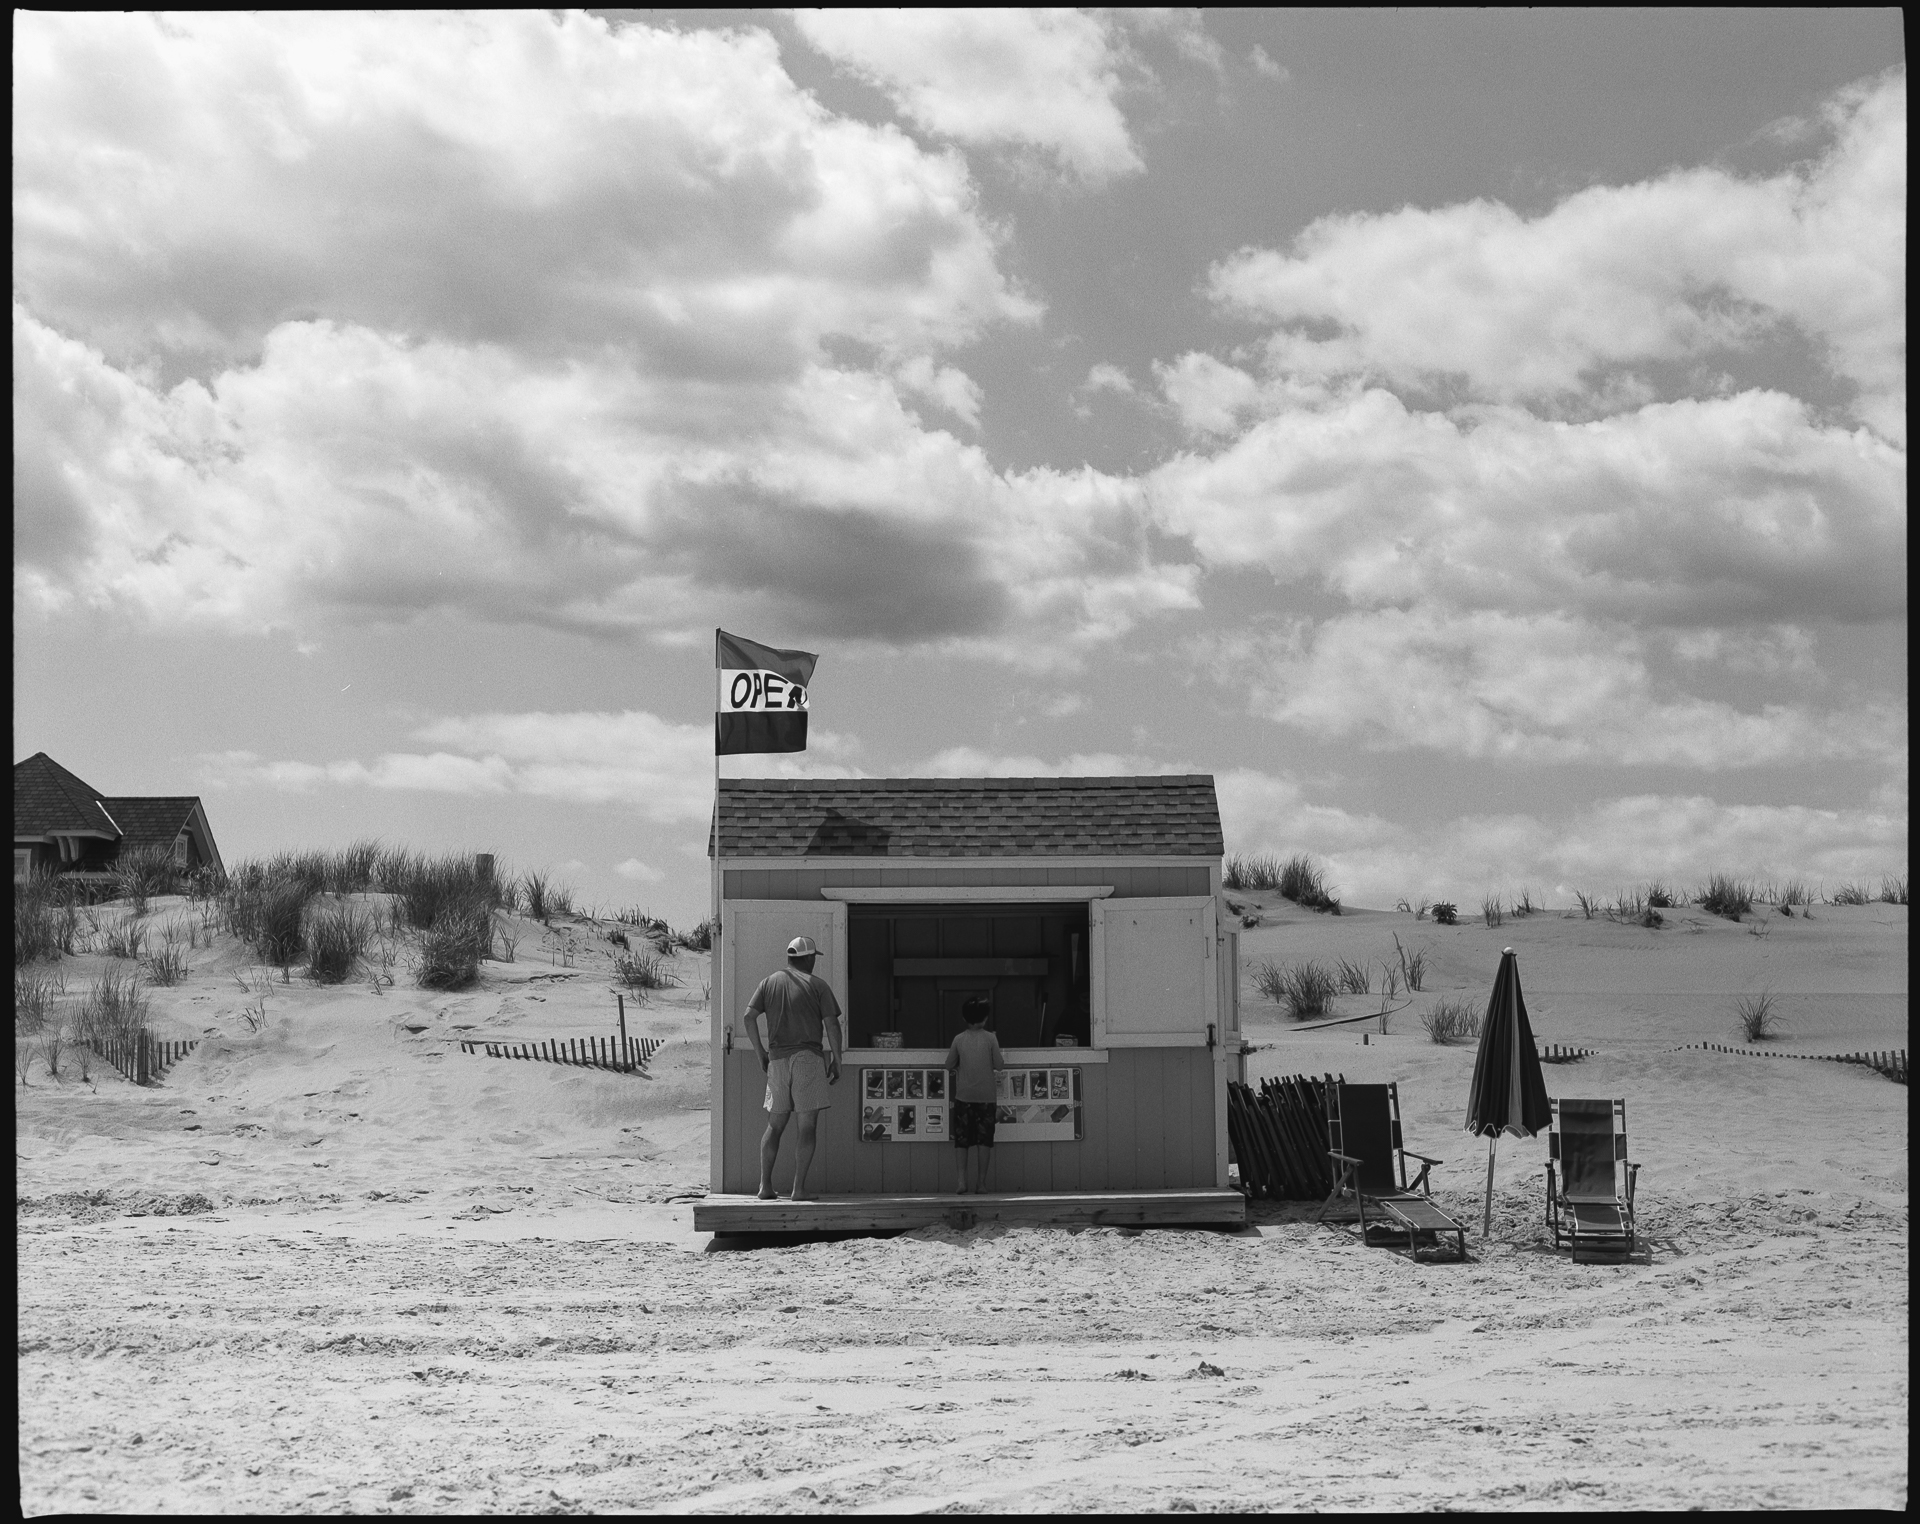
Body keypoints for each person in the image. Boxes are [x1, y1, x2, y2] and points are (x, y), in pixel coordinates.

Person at [743, 935, 843, 1201]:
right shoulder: (818, 986)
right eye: (813, 958)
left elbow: (748, 1016)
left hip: (777, 1060)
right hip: (808, 1059)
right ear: (808, 958)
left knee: (775, 1125)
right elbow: (832, 1025)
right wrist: (837, 1058)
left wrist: (760, 1052)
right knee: (807, 1126)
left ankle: (765, 1187)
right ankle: (799, 1189)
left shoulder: (768, 983)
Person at [944, 996, 1004, 1195]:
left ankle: (961, 1181)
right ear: (985, 1018)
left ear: (964, 1018)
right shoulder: (990, 1038)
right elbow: (999, 1065)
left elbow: (949, 1064)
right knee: (984, 1141)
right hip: (986, 1097)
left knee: (962, 1141)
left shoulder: (959, 1039)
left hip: (963, 1097)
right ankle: (981, 1184)